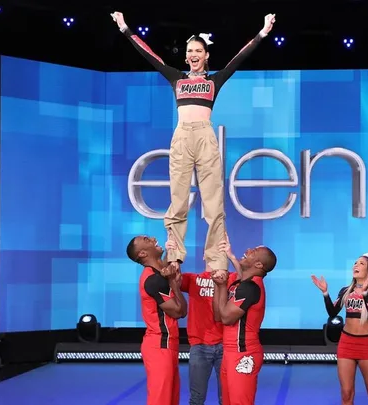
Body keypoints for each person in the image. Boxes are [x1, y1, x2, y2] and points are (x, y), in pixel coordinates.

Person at [111, 11, 276, 277]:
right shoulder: (176, 78)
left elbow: (239, 58)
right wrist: (125, 28)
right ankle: (175, 256)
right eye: (190, 51)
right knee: (178, 199)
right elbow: (150, 56)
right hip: (182, 137)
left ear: (206, 55)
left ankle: (217, 261)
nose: (193, 54)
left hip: (205, 136)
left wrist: (263, 32)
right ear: (186, 56)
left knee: (213, 202)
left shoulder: (214, 81)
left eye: (198, 50)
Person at [164, 234, 241, 405]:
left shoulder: (231, 278)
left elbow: (245, 279)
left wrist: (231, 256)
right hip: (199, 345)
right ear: (204, 255)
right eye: (211, 250)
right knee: (197, 398)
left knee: (226, 397)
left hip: (225, 345)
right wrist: (171, 252)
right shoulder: (193, 279)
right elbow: (172, 277)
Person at [311, 253, 368, 405]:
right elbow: (332, 313)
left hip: (367, 345)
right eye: (355, 263)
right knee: (346, 394)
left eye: (361, 263)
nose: (355, 266)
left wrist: (366, 293)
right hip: (346, 343)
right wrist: (325, 293)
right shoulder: (346, 291)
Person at [212, 245, 277, 405]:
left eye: (253, 252)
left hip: (243, 353)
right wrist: (230, 257)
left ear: (259, 265)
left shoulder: (250, 288)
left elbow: (226, 318)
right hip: (230, 351)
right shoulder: (240, 284)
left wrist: (221, 286)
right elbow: (218, 316)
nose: (247, 249)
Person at [126, 235, 188, 405]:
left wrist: (172, 251)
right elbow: (178, 312)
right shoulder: (153, 280)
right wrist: (175, 285)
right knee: (161, 400)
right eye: (147, 239)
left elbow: (183, 310)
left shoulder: (159, 274)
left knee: (171, 400)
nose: (153, 238)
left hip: (168, 345)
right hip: (160, 346)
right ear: (143, 254)